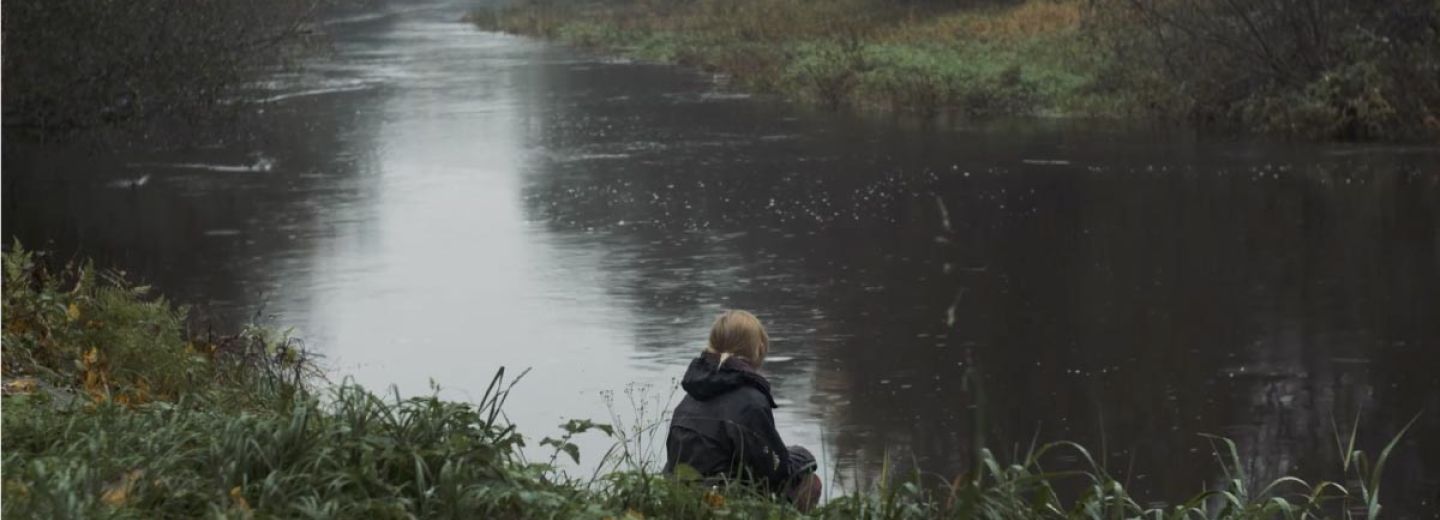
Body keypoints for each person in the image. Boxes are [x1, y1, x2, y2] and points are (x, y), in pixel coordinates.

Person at [663, 310, 823, 511]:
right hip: (721, 504)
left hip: (681, 497)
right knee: (810, 479)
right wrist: (804, 456)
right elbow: (773, 473)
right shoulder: (750, 401)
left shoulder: (693, 393)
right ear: (757, 348)